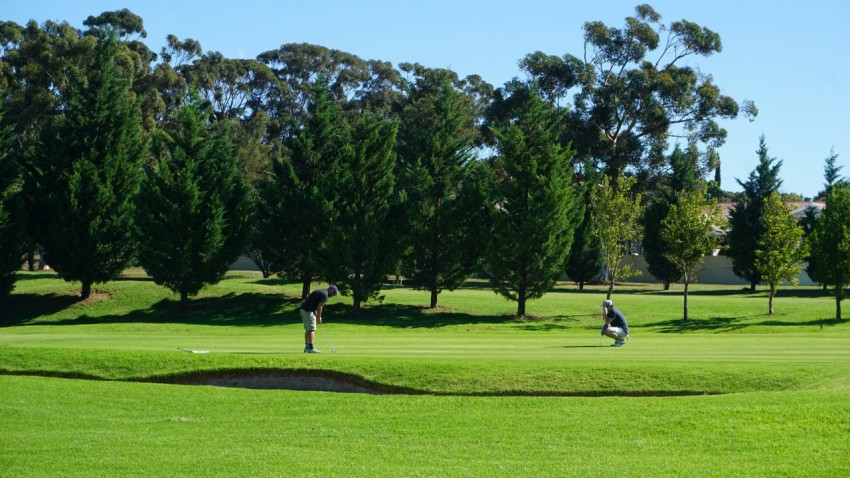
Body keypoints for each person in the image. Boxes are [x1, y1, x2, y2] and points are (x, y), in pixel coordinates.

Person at [300, 285, 338, 353]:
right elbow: (320, 307)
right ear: (331, 290)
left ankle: (307, 347)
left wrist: (316, 315)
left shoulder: (321, 291)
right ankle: (310, 347)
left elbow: (314, 303)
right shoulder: (325, 294)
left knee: (308, 329)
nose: (333, 295)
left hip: (304, 309)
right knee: (312, 329)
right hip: (308, 311)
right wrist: (319, 317)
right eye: (334, 293)